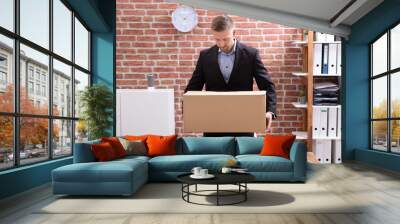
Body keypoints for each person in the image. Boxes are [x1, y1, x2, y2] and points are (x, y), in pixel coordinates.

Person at [184, 15, 277, 137]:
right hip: (213, 124)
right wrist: (188, 111)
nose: (221, 44)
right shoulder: (205, 56)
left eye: (225, 39)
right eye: (217, 40)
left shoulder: (251, 54)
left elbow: (267, 86)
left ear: (234, 33)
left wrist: (269, 111)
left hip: (244, 122)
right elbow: (193, 88)